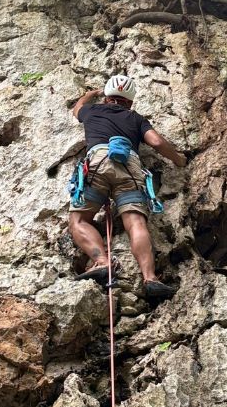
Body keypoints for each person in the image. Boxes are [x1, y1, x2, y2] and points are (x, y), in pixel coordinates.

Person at [67, 74, 187, 301]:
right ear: (130, 102)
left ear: (107, 99)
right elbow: (156, 142)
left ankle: (101, 262)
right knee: (136, 223)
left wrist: (90, 94)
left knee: (79, 220)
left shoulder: (93, 111)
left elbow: (77, 109)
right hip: (130, 166)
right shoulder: (136, 118)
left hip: (97, 164)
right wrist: (179, 160)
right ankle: (150, 278)